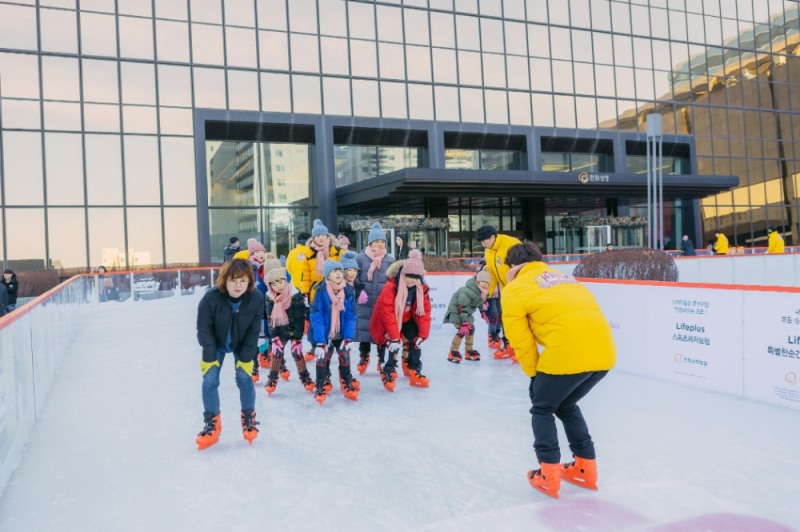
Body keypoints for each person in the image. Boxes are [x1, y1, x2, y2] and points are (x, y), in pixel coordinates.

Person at [501, 242, 616, 499]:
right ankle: (585, 468)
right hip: (604, 355)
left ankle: (548, 474)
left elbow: (520, 340)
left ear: (511, 266)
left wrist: (534, 375)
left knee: (542, 408)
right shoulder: (568, 280)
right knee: (566, 405)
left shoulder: (515, 289)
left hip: (567, 356)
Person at [195, 258, 265, 450]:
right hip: (215, 344)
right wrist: (209, 356)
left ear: (249, 281)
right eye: (233, 280)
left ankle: (248, 417)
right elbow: (203, 329)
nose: (238, 285)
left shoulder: (256, 298)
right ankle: (212, 423)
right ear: (224, 280)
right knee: (209, 380)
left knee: (244, 377)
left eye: (243, 281)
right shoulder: (211, 298)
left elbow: (253, 331)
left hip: (242, 343)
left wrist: (245, 358)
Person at [369, 249, 432, 390]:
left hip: (407, 319)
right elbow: (387, 313)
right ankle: (388, 369)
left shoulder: (421, 288)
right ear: (403, 274)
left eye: (417, 278)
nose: (413, 280)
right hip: (389, 320)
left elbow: (424, 312)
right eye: (410, 276)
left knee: (416, 339)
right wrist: (394, 337)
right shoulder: (391, 287)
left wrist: (423, 335)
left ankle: (415, 369)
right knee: (392, 342)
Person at [309, 260, 358, 404]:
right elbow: (317, 317)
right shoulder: (320, 292)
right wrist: (320, 342)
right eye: (334, 271)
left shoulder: (348, 291)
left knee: (344, 356)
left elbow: (351, 316)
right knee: (323, 358)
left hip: (341, 333)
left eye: (339, 271)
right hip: (323, 334)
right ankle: (321, 383)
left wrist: (348, 337)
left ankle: (346, 380)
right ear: (327, 275)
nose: (338, 273)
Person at [263, 266, 315, 395]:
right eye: (274, 284)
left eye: (280, 282)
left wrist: (297, 339)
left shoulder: (295, 295)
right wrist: (274, 337)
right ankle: (272, 378)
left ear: (285, 280)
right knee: (277, 352)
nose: (278, 286)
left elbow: (299, 318)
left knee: (296, 352)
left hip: (293, 329)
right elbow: (270, 318)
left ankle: (305, 377)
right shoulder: (270, 297)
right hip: (279, 330)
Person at [354, 223, 396, 376]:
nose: (379, 244)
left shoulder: (390, 260)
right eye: (376, 241)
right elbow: (353, 278)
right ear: (369, 243)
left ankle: (381, 359)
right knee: (365, 332)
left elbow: (394, 281)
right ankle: (363, 358)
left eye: (382, 242)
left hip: (381, 304)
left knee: (381, 333)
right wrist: (359, 291)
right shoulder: (360, 258)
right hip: (364, 303)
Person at [475, 225, 521, 361]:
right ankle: (508, 345)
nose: (483, 244)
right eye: (481, 242)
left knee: (519, 320)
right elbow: (493, 275)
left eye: (485, 241)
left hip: (520, 290)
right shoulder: (489, 252)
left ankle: (520, 349)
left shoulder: (512, 244)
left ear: (493, 237)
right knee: (506, 318)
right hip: (505, 291)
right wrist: (487, 293)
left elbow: (526, 265)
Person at [443, 270, 491, 363]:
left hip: (466, 313)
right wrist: (464, 323)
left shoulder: (480, 291)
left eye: (487, 283)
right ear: (477, 281)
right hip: (456, 312)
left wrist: (482, 312)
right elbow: (462, 307)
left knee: (471, 329)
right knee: (463, 330)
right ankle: (453, 351)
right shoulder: (466, 291)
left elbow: (480, 302)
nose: (485, 285)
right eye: (483, 282)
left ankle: (468, 351)